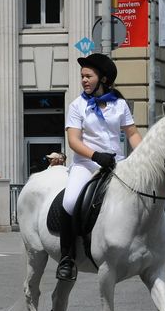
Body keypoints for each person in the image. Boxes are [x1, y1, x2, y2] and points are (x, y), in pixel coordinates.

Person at [57, 52, 142, 282]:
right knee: (70, 201)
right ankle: (67, 257)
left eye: (88, 76)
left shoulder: (120, 104)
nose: (84, 80)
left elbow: (132, 133)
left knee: (147, 195)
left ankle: (152, 252)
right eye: (82, 76)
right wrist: (95, 155)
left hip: (118, 163)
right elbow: (74, 141)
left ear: (103, 78)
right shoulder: (77, 106)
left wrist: (143, 158)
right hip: (86, 164)